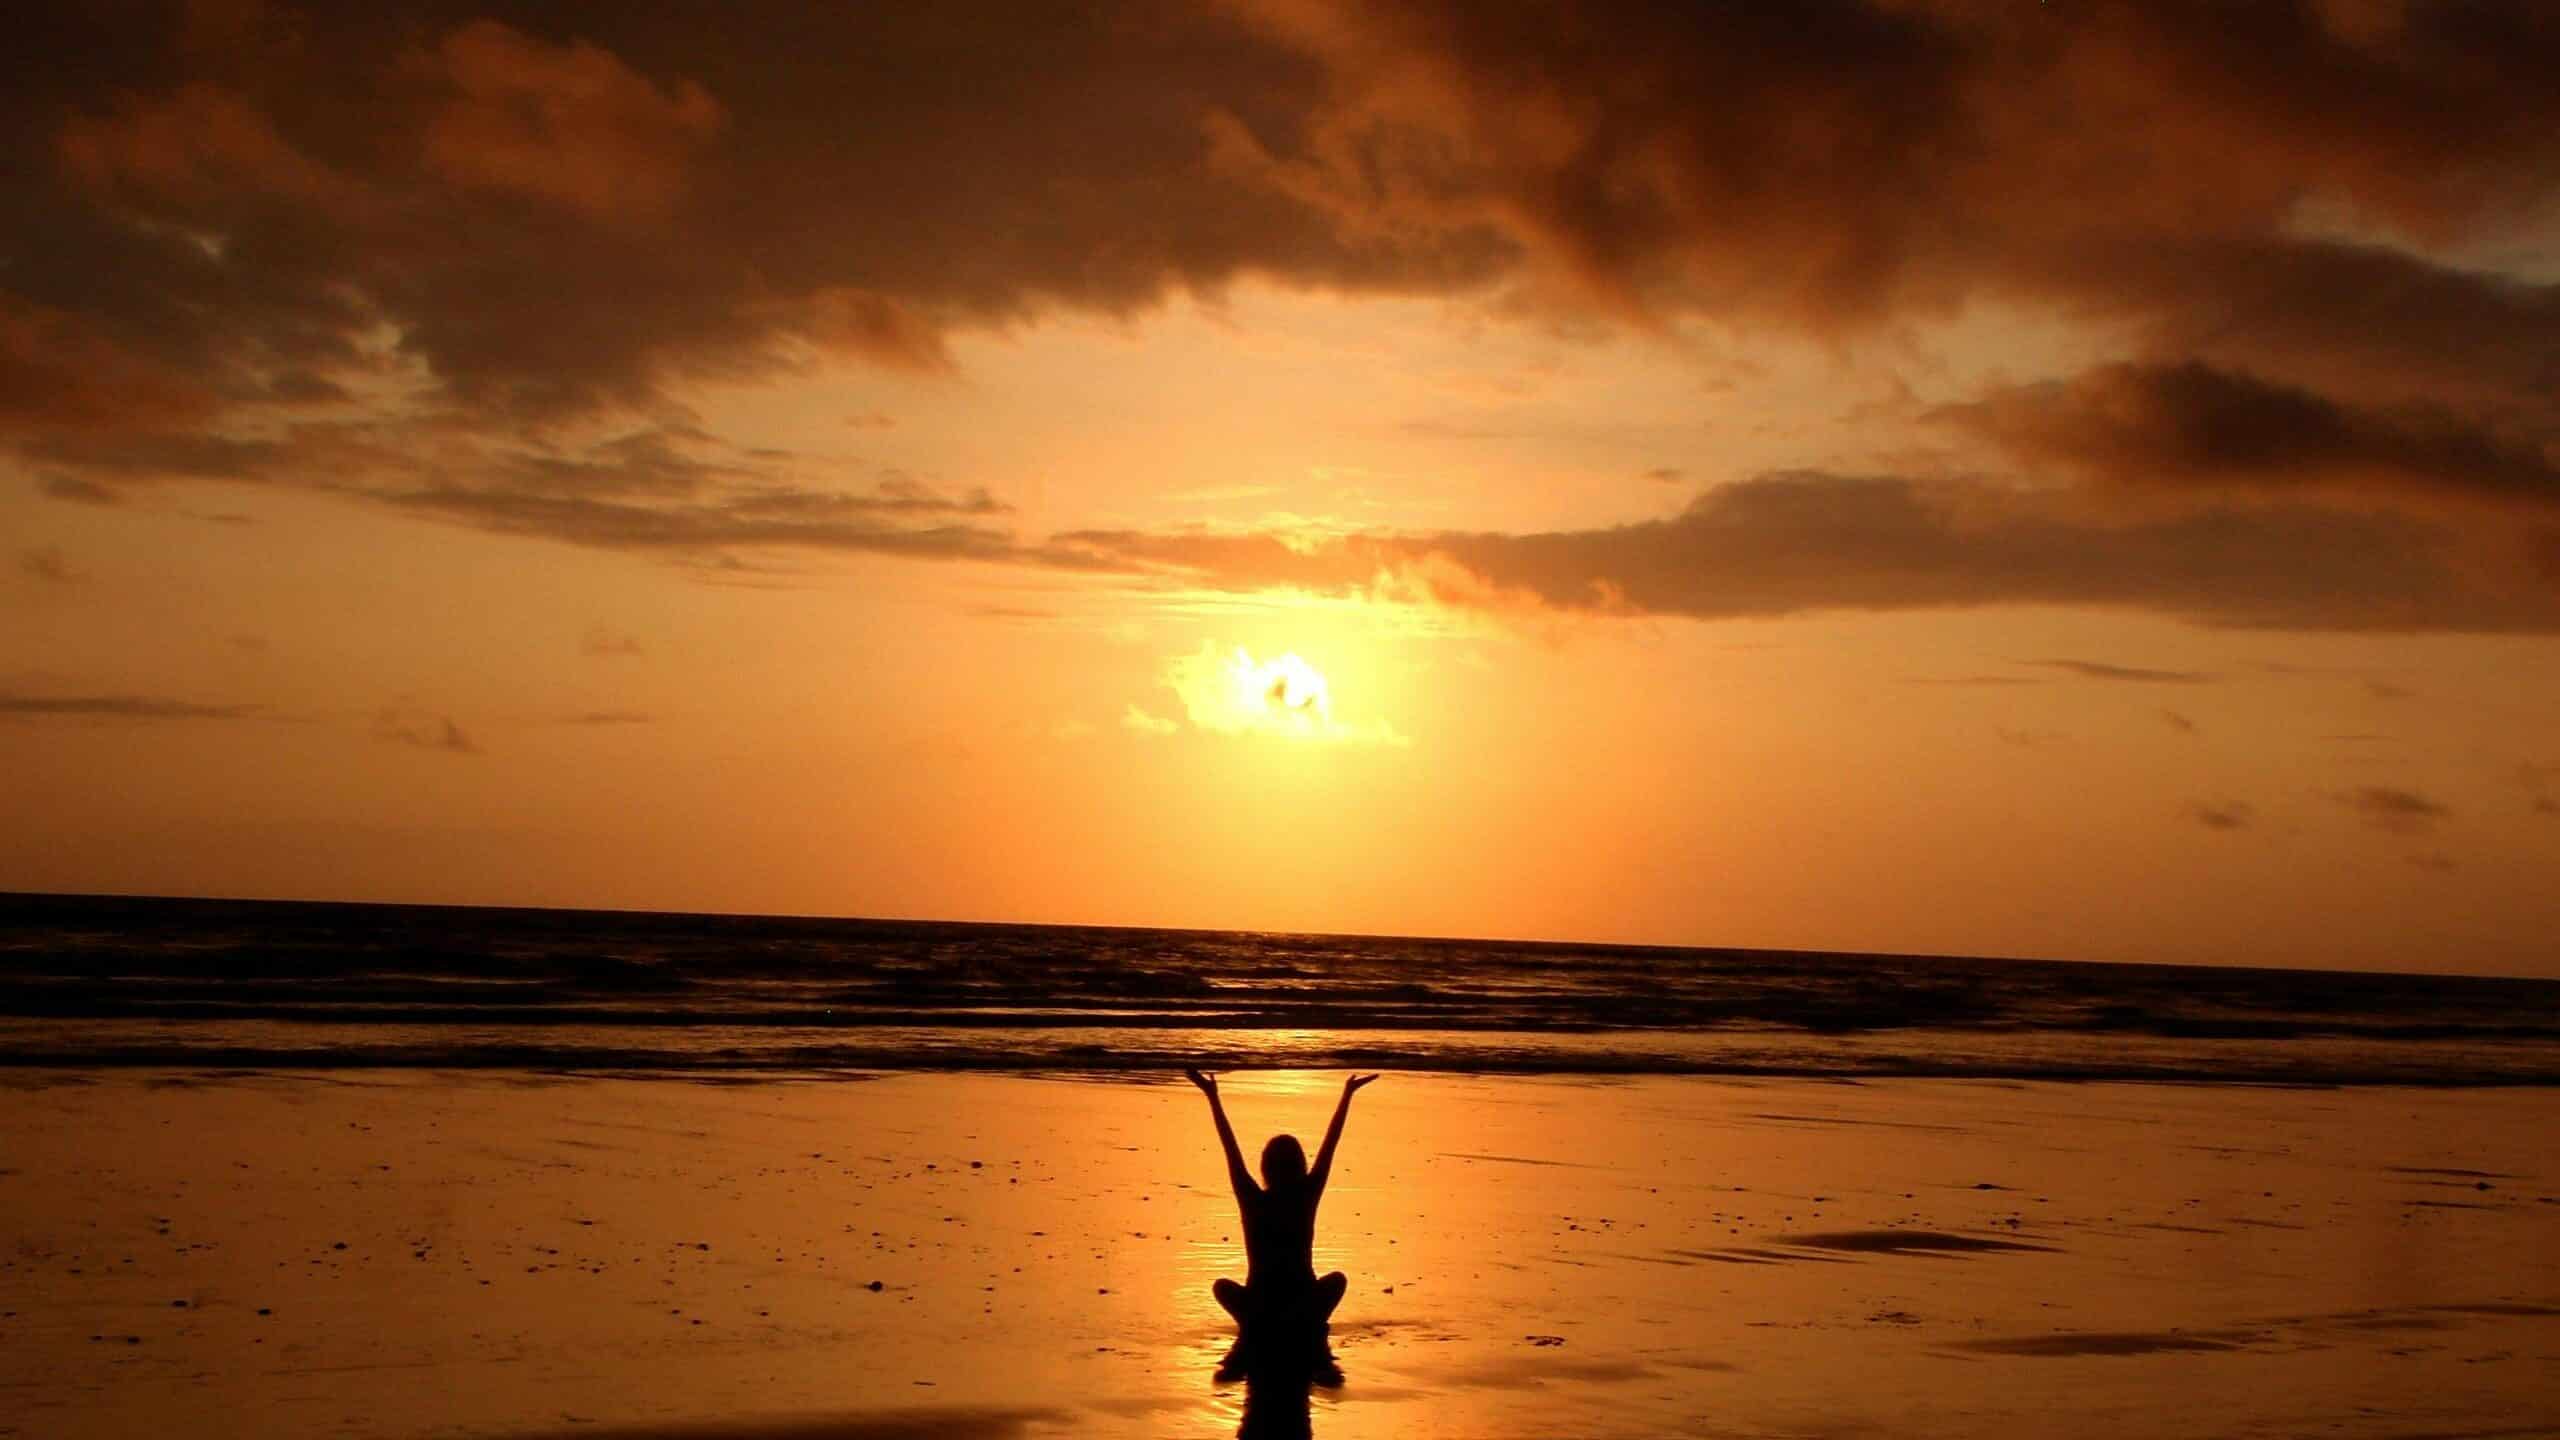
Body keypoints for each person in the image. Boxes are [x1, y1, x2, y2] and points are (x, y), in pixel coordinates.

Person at [1184, 1067, 1379, 1365]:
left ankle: (1266, 1326)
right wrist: (1346, 1096)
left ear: (1265, 1167)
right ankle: (1299, 1323)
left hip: (1260, 1307)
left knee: (1222, 1287)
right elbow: (1330, 1145)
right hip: (1302, 1304)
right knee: (1337, 1280)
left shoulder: (1254, 1198)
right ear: (1300, 1164)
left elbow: (1230, 1148)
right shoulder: (1306, 1195)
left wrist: (1212, 1097)